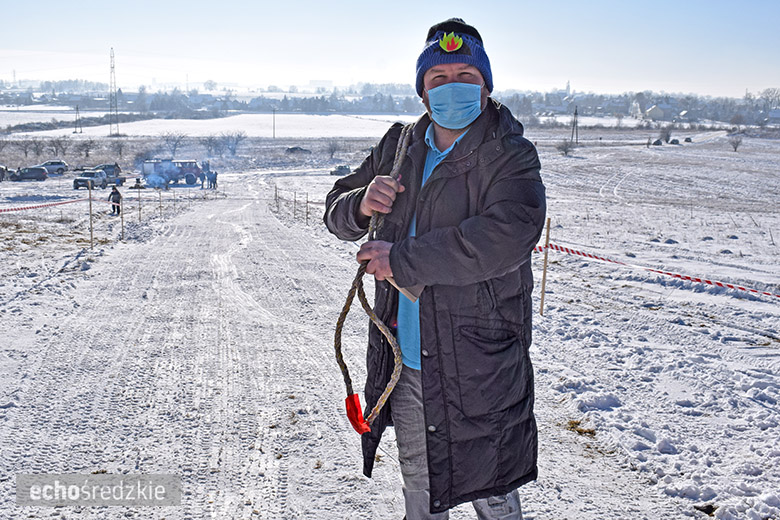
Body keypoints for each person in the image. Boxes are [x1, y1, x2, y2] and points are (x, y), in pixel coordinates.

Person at [324, 18, 546, 520]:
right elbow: (335, 211)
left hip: (481, 365)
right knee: (421, 497)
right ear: (423, 92)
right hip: (404, 363)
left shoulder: (510, 154)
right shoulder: (398, 146)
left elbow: (508, 234)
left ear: (486, 85)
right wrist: (361, 205)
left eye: (465, 74)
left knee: (495, 498)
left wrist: (401, 260)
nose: (453, 87)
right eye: (438, 78)